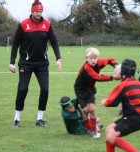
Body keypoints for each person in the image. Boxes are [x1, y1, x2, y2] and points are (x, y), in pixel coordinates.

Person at [9, 0, 62, 128]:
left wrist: (58, 58)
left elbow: (54, 42)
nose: (39, 14)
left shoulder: (47, 24)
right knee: (22, 89)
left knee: (45, 89)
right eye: (37, 11)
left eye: (40, 11)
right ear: (32, 11)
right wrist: (12, 62)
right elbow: (15, 44)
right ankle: (17, 118)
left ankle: (39, 119)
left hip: (42, 64)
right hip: (25, 64)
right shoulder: (23, 25)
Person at [101, 59, 140, 152]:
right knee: (109, 129)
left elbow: (112, 102)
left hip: (133, 118)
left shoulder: (123, 85)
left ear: (121, 73)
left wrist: (105, 102)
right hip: (137, 117)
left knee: (111, 137)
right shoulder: (138, 83)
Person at [74, 47, 120, 138]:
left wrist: (116, 66)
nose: (93, 60)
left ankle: (94, 130)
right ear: (86, 59)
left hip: (90, 89)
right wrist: (113, 77)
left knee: (92, 109)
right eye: (91, 58)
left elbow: (110, 60)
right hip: (80, 89)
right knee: (85, 110)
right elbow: (97, 77)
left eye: (95, 58)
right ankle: (88, 128)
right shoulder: (87, 68)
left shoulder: (99, 62)